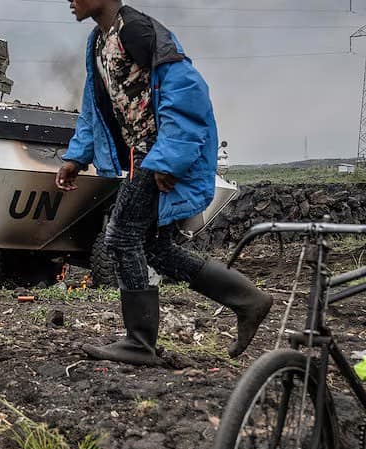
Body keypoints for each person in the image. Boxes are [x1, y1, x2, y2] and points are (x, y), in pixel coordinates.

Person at [57, 0, 272, 366]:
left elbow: (188, 92)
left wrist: (168, 159)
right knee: (154, 248)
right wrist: (77, 157)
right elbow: (96, 107)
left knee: (121, 235)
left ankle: (140, 342)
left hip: (156, 155)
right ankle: (248, 300)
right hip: (142, 156)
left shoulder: (137, 31)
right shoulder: (98, 40)